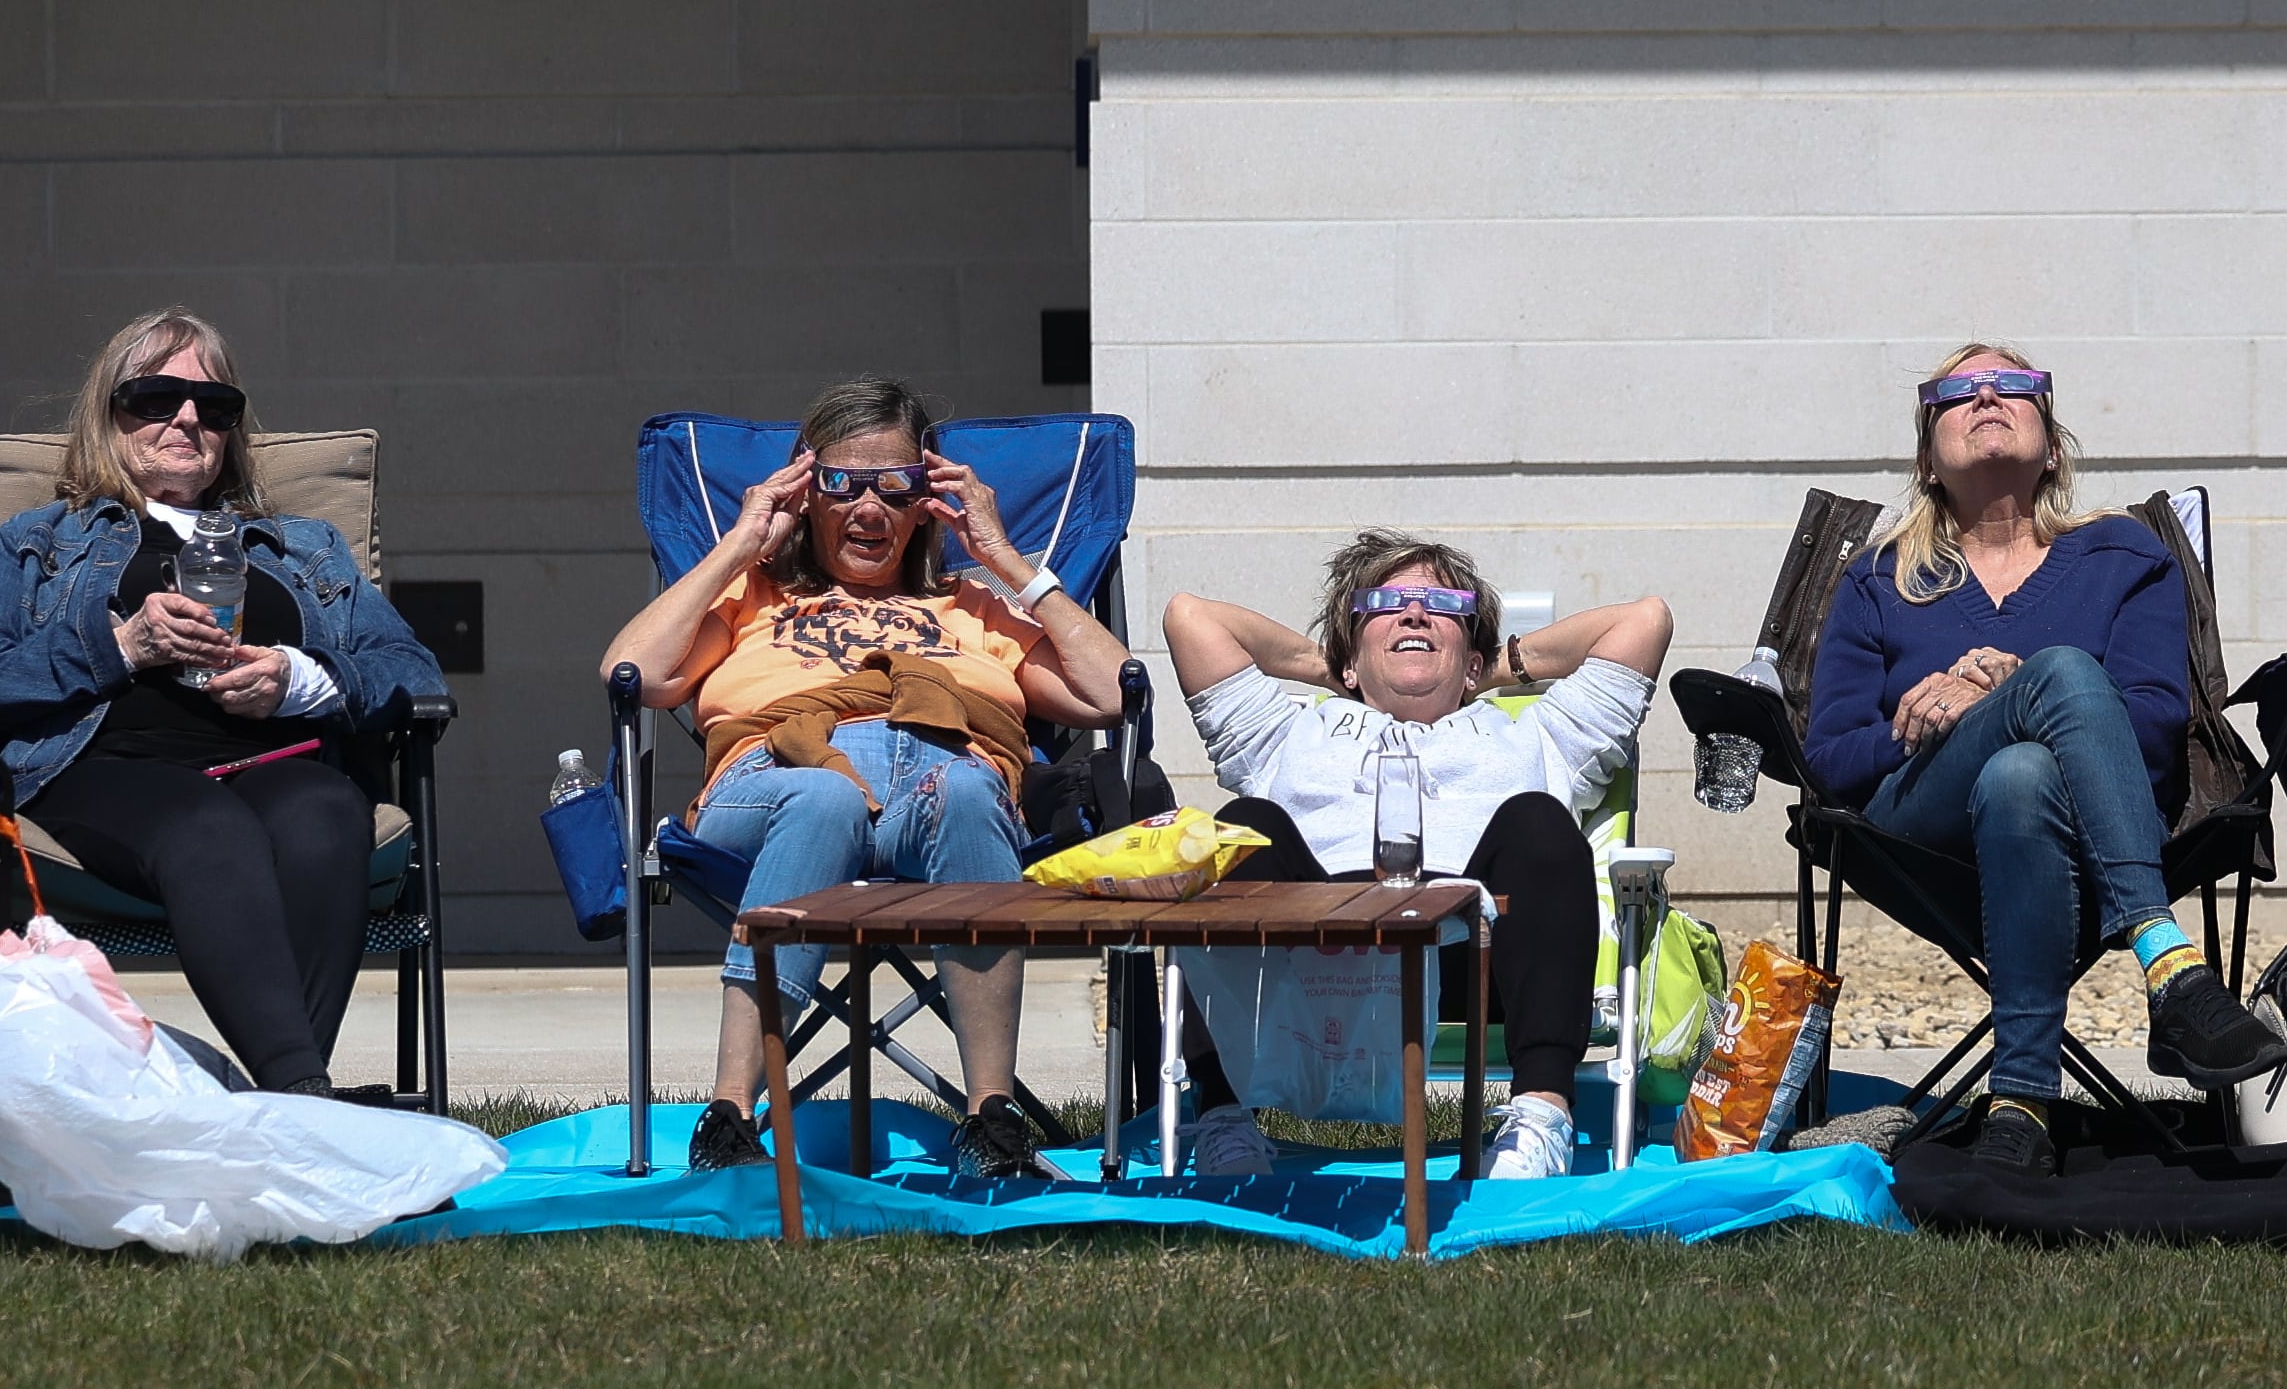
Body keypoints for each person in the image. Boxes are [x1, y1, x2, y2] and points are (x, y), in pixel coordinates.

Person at [603, 376, 1130, 1180]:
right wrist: (739, 545)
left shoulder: (975, 605)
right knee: (826, 798)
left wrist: (1005, 559)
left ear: (928, 500)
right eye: (840, 483)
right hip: (777, 783)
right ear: (806, 495)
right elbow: (630, 672)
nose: (869, 508)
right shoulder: (753, 596)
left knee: (962, 789)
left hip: (943, 783)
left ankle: (992, 1120)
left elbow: (1112, 689)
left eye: (897, 484)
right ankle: (730, 1117)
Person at [1802, 349, 2287, 1172]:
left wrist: (2011, 698)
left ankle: (2021, 1101)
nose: (1987, 395)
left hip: (2078, 812)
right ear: (1927, 456)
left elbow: (2150, 730)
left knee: (2019, 774)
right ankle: (2168, 966)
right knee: (2061, 671)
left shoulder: (2126, 559)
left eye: (2014, 386)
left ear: (2053, 443)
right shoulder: (1878, 580)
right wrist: (1922, 720)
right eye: (1957, 392)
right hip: (1917, 826)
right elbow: (1827, 759)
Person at [0, 307, 445, 1097]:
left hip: (274, 758)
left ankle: (280, 1102)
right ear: (109, 415)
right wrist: (122, 646)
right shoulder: (39, 539)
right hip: (104, 768)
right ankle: (303, 1100)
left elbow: (414, 671)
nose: (187, 418)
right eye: (154, 398)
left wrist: (296, 677)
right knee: (210, 826)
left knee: (327, 817)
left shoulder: (302, 546)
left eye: (214, 406)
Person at [1162, 538, 1669, 1180]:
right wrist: (1337, 667)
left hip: (1475, 962)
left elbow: (1645, 621)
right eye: (1385, 604)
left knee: (1539, 821)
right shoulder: (1286, 732)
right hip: (1311, 958)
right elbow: (1188, 617)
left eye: (1440, 605)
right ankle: (1225, 1122)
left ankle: (1539, 1120)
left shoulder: (1539, 733)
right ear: (1347, 659)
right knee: (1240, 829)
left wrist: (1495, 671)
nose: (1413, 615)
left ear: (1473, 659)